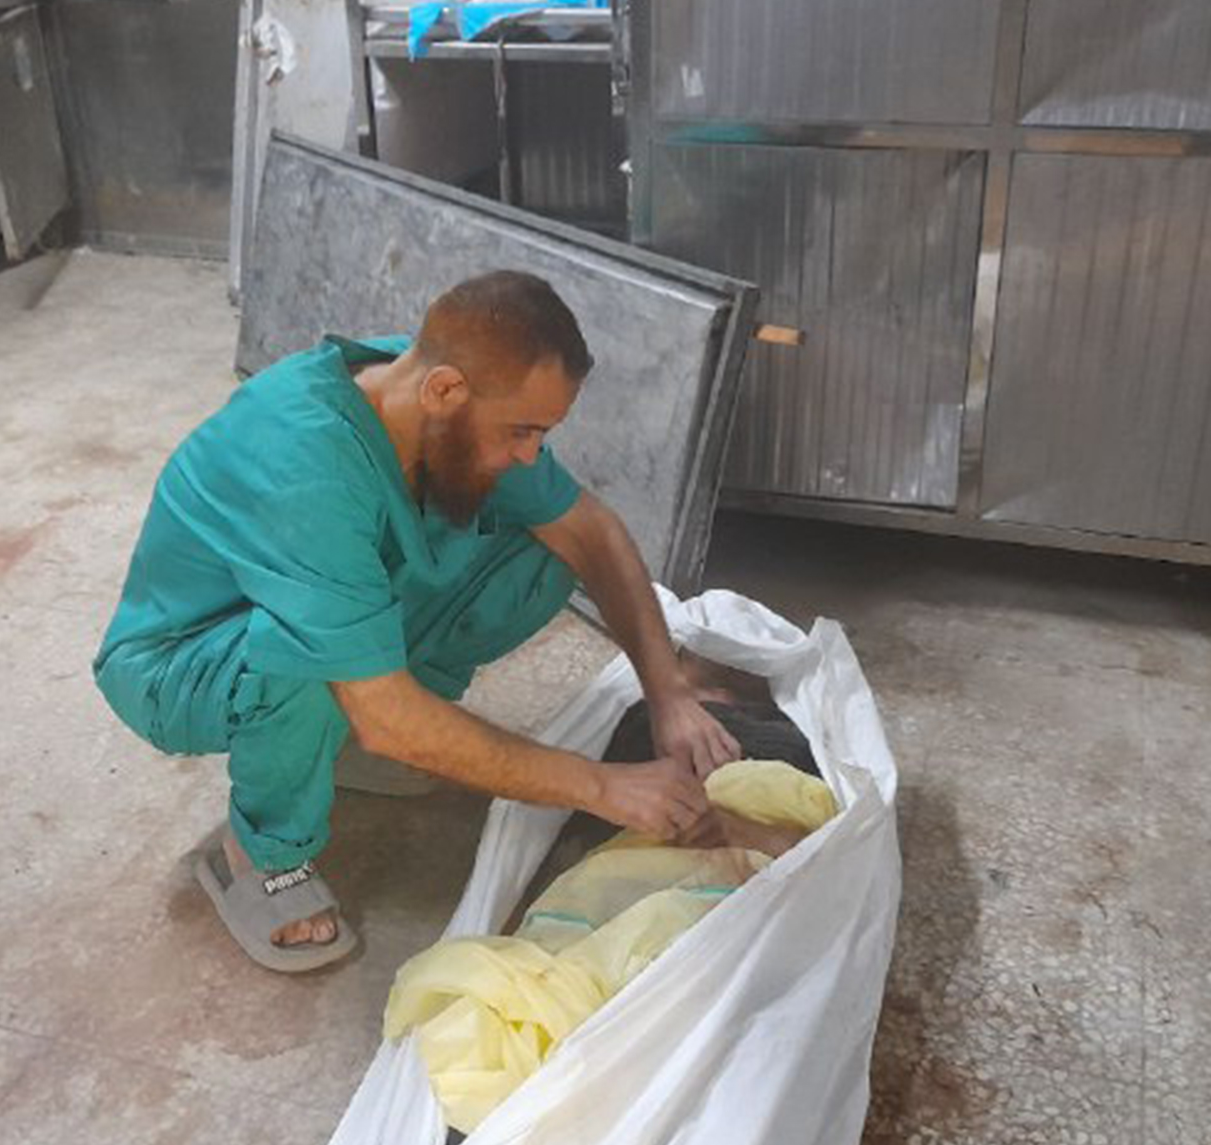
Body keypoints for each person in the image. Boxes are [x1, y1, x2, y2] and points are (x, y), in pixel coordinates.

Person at [94, 270, 742, 971]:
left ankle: (344, 744)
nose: (531, 454)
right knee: (311, 668)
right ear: (444, 392)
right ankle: (261, 854)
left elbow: (592, 533)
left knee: (543, 552)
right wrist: (603, 785)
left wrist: (668, 693)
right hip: (178, 660)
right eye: (521, 431)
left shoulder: (433, 389)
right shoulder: (306, 463)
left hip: (303, 613)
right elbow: (383, 711)